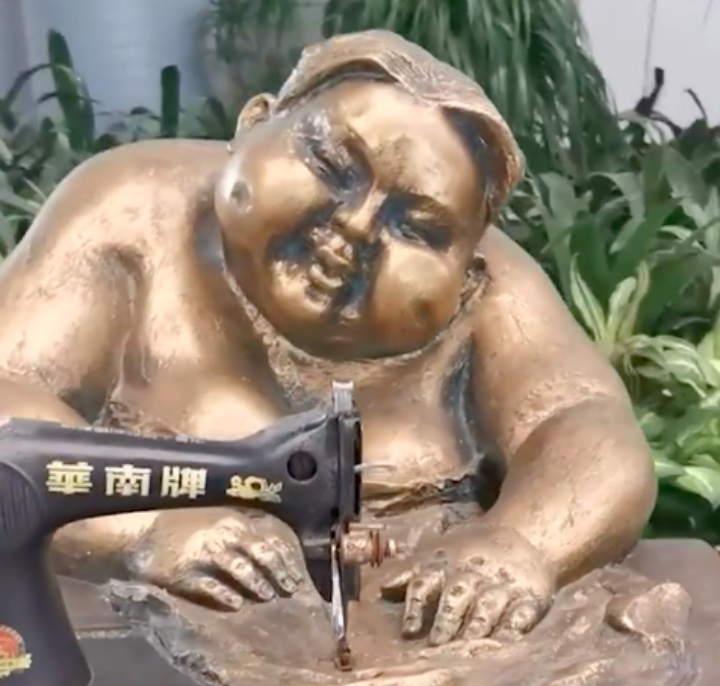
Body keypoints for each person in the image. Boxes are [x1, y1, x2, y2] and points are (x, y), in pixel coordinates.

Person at [0, 30, 655, 647]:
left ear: (466, 276)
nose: (356, 228)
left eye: (416, 227)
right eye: (332, 165)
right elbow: (9, 398)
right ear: (254, 123)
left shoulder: (495, 293)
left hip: (416, 622)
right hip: (151, 627)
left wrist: (522, 543)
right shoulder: (129, 210)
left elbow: (584, 426)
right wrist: (139, 528)